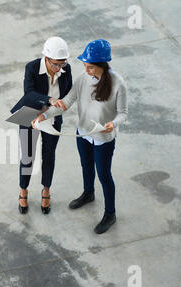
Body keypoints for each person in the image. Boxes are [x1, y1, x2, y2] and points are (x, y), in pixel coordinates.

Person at [32, 39, 128, 234]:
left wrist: (113, 124)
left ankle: (110, 213)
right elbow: (66, 102)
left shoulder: (118, 83)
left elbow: (123, 113)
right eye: (84, 66)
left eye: (90, 67)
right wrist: (44, 115)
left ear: (102, 65)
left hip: (103, 139)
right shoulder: (83, 79)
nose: (86, 70)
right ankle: (88, 193)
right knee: (86, 166)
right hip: (83, 133)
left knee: (104, 175)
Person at [10, 37, 73, 215]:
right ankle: (23, 190)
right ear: (46, 58)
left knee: (49, 155)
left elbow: (68, 93)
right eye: (55, 64)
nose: (59, 68)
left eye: (62, 63)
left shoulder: (65, 69)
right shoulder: (32, 67)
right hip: (30, 115)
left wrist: (52, 109)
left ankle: (46, 189)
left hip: (52, 117)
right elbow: (29, 93)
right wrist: (49, 100)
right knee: (27, 156)